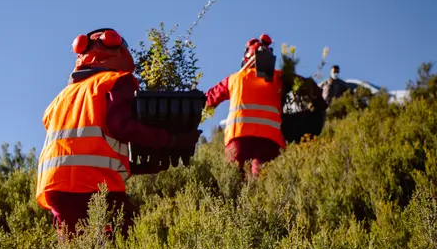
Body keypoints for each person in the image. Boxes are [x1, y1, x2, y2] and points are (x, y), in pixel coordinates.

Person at [35, 27, 201, 238]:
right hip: (94, 183)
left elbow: (83, 148)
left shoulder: (60, 98)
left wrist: (133, 168)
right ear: (118, 53)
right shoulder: (114, 81)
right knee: (128, 238)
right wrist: (172, 140)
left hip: (55, 187)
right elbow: (121, 126)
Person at [204, 34, 285, 177]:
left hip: (238, 140)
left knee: (234, 182)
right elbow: (304, 87)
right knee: (263, 184)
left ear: (246, 58)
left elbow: (208, 100)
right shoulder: (279, 78)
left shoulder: (234, 79)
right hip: (269, 141)